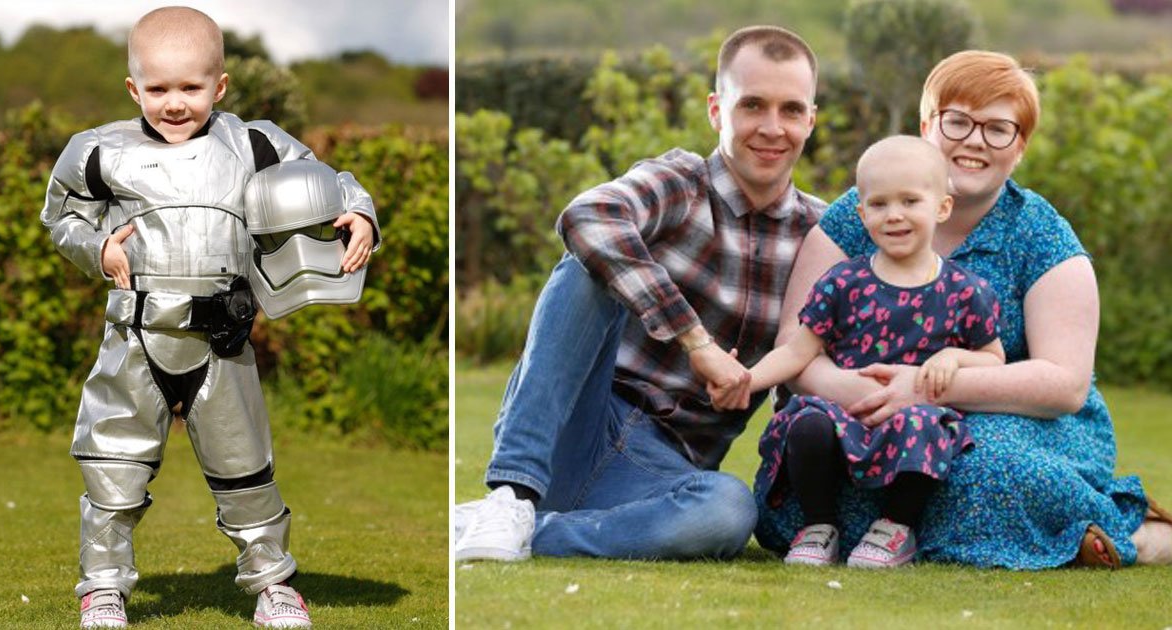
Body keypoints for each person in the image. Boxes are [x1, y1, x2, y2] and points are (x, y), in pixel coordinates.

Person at [754, 49, 1172, 569]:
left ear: (1019, 148)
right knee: (809, 482)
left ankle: (1132, 533)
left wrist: (925, 391)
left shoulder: (1042, 236)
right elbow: (797, 349)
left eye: (998, 129)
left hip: (1010, 418)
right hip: (861, 414)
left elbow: (1064, 383)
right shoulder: (858, 213)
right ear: (927, 127)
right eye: (957, 121)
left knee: (973, 467)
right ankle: (1041, 537)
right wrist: (866, 396)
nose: (974, 140)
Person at [40, 7, 379, 628]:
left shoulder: (252, 142)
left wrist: (358, 213)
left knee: (245, 470)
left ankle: (272, 584)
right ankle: (104, 588)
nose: (174, 103)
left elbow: (328, 183)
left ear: (219, 87)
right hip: (137, 337)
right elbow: (61, 218)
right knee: (113, 469)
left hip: (223, 339)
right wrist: (100, 247)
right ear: (133, 88)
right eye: (159, 88)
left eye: (191, 88)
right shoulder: (98, 152)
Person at [452, 25, 828, 562]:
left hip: (667, 470)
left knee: (729, 511)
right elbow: (587, 216)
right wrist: (696, 341)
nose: (772, 128)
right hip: (581, 419)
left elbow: (810, 365)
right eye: (753, 106)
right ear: (717, 110)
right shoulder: (681, 180)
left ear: (810, 119)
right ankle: (512, 493)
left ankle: (524, 531)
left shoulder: (820, 235)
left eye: (791, 110)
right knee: (587, 265)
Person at [717, 136, 1004, 568]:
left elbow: (993, 358)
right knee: (807, 422)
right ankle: (819, 527)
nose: (895, 215)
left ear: (942, 208)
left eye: (910, 201)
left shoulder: (966, 290)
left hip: (910, 416)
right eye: (880, 204)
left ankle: (895, 528)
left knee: (926, 423)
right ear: (862, 213)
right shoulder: (842, 282)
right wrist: (747, 378)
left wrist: (953, 358)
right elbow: (799, 352)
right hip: (843, 413)